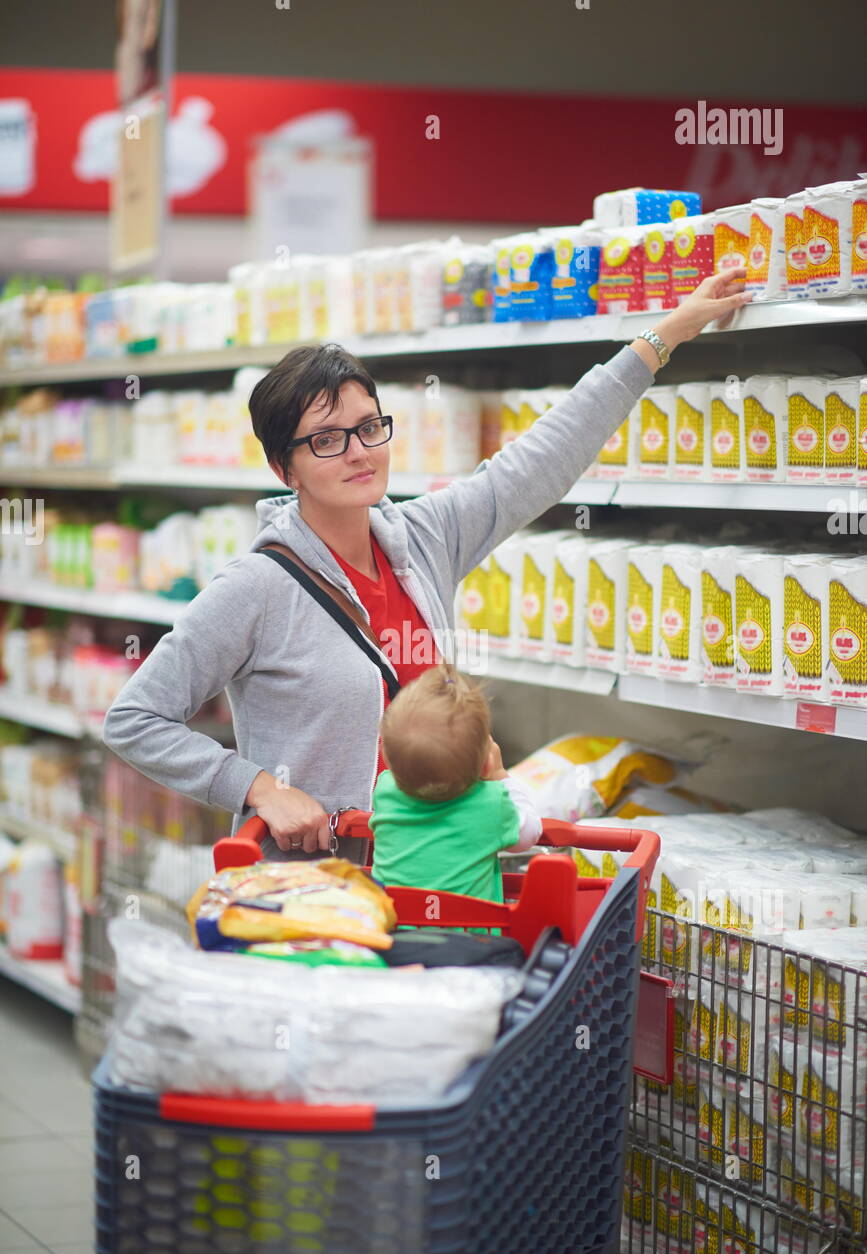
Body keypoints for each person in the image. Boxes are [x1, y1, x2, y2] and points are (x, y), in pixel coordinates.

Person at [102, 267, 751, 861]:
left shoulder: (423, 537)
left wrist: (662, 338)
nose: (358, 452)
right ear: (283, 466)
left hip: (434, 869)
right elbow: (135, 719)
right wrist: (257, 787)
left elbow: (540, 461)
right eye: (325, 440)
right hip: (321, 891)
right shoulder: (256, 588)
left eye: (368, 427)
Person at [369, 663, 542, 901]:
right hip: (470, 936)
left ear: (386, 756)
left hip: (397, 930)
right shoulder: (492, 803)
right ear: (485, 764)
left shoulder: (385, 789)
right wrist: (500, 775)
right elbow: (530, 833)